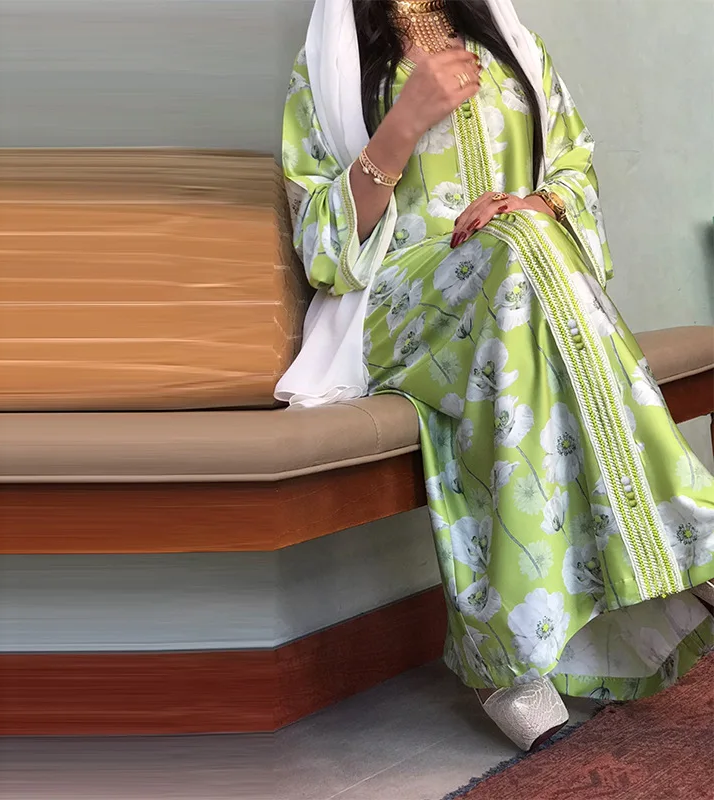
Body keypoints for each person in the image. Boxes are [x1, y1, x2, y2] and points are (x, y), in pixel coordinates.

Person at [278, 0, 714, 751]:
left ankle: (508, 653)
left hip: (516, 283)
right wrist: (399, 128)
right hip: (397, 303)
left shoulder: (512, 45)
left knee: (517, 252)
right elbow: (320, 244)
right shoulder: (331, 63)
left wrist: (536, 204)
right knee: (516, 259)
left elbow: (573, 163)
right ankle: (685, 534)